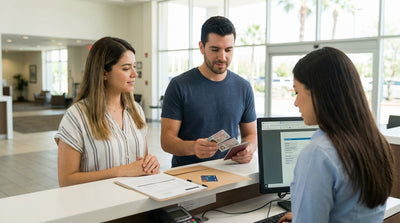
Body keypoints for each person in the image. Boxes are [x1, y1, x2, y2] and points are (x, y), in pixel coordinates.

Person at [278, 47, 394, 222]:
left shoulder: (318, 154)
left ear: (318, 93)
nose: (295, 102)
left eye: (297, 91)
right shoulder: (375, 143)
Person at [55, 37, 160, 187]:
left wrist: (150, 163)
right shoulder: (76, 116)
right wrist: (121, 171)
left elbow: (141, 162)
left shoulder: (136, 110)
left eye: (134, 67)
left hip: (138, 201)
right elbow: (66, 181)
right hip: (99, 204)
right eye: (126, 68)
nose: (134, 74)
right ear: (104, 73)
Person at [160, 16, 257, 167]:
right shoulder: (179, 85)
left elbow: (250, 134)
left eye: (228, 50)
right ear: (201, 47)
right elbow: (167, 141)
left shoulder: (243, 87)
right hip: (187, 175)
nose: (222, 57)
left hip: (230, 172)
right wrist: (193, 147)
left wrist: (249, 148)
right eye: (215, 49)